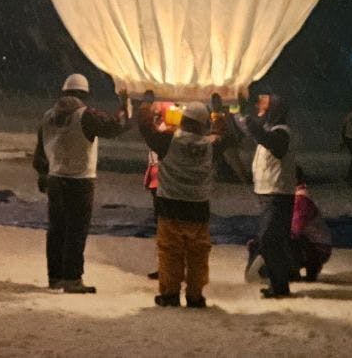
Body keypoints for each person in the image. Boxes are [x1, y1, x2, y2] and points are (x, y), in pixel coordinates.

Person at [32, 74, 129, 294]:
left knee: (56, 230)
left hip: (56, 179)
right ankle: (72, 278)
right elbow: (115, 127)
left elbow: (40, 151)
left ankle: (55, 277)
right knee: (76, 231)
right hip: (80, 181)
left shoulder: (48, 116)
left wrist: (42, 174)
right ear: (84, 94)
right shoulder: (86, 116)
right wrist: (125, 105)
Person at [140, 101, 214, 308]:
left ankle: (170, 294)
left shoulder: (168, 141)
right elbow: (229, 136)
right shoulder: (210, 145)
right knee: (198, 254)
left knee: (170, 252)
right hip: (198, 207)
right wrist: (222, 111)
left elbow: (145, 130)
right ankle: (195, 295)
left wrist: (145, 105)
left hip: (170, 205)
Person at [239, 89, 298, 298]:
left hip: (278, 194)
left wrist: (248, 121)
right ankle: (279, 285)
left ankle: (280, 284)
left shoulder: (281, 133)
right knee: (273, 241)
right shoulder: (270, 131)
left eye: (264, 102)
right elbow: (257, 134)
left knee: (270, 240)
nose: (259, 106)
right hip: (269, 193)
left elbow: (268, 141)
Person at [291, 182, 334, 281]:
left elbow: (296, 229)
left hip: (317, 248)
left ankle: (292, 271)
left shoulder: (301, 201)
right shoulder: (301, 198)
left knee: (286, 241)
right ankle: (311, 268)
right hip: (320, 246)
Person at [209, 93, 251, 184]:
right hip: (215, 141)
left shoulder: (226, 114)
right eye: (213, 102)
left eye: (217, 102)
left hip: (227, 140)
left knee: (234, 159)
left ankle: (245, 180)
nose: (215, 104)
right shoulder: (209, 114)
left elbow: (232, 128)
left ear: (220, 102)